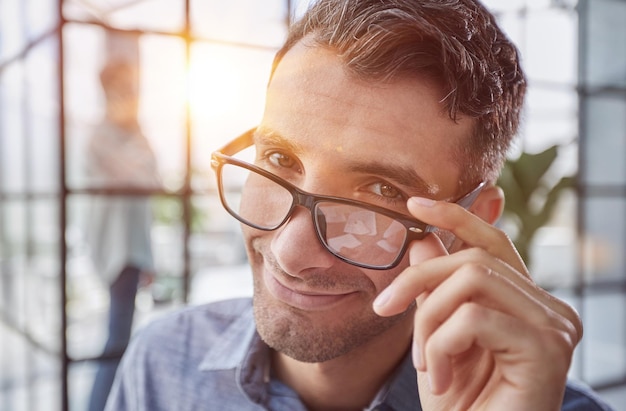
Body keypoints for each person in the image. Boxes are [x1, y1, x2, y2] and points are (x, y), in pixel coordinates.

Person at [105, 0, 613, 410]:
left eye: (381, 192)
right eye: (279, 157)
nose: (290, 251)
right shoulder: (162, 362)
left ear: (470, 224)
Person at [85, 51, 160, 411]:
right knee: (118, 340)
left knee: (120, 337)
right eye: (122, 89)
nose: (129, 96)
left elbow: (151, 182)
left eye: (131, 88)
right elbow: (134, 177)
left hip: (131, 250)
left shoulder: (133, 134)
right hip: (115, 250)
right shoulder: (101, 135)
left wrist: (148, 256)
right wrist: (136, 165)